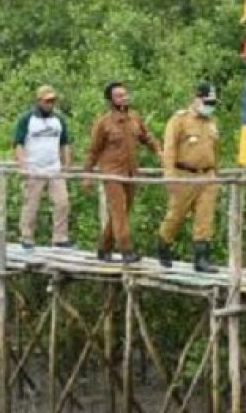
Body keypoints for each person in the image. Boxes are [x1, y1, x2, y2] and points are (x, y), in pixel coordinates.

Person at [83, 82, 162, 263]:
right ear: (111, 100)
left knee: (123, 213)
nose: (124, 98)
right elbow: (93, 151)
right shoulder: (103, 123)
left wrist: (158, 150)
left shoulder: (134, 119)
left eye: (125, 94)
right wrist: (87, 175)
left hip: (131, 173)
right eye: (119, 96)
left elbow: (147, 137)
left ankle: (104, 248)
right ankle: (127, 250)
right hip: (112, 174)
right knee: (119, 212)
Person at [157, 81, 221, 273]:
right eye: (207, 101)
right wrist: (169, 176)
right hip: (184, 174)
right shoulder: (180, 120)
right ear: (197, 98)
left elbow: (215, 150)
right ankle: (164, 244)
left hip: (207, 176)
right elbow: (169, 150)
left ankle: (201, 259)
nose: (210, 106)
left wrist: (216, 173)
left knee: (205, 219)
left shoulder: (211, 123)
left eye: (213, 103)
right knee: (176, 215)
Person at [14, 86, 73, 249]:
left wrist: (67, 164)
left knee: (62, 202)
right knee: (31, 204)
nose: (50, 104)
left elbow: (65, 143)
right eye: (47, 101)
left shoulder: (58, 120)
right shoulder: (27, 119)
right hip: (34, 168)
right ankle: (26, 237)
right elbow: (18, 143)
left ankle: (60, 237)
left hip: (54, 168)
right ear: (39, 101)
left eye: (53, 101)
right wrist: (22, 165)